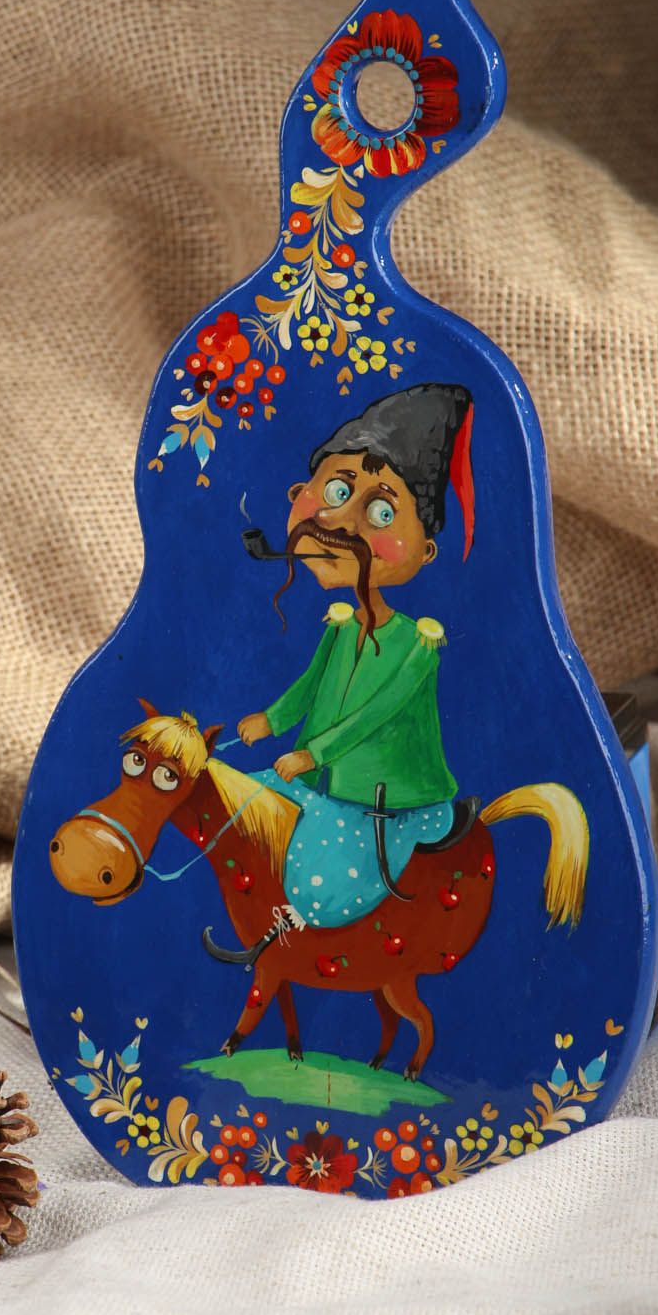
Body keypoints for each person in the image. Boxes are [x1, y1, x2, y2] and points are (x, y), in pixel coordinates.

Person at [237, 382, 478, 930]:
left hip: (381, 801)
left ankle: (300, 941)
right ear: (300, 491)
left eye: (383, 513)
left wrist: (312, 754)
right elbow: (310, 684)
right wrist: (272, 720)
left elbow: (374, 716)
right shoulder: (341, 626)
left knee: (319, 898)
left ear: (425, 551)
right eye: (336, 491)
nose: (342, 524)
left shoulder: (418, 646)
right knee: (239, 806)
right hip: (318, 782)